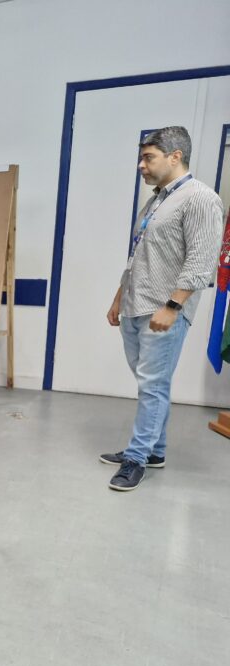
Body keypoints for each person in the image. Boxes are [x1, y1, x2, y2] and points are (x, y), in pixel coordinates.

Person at [101, 126, 224, 492]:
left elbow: (202, 262)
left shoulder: (200, 198)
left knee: (153, 386)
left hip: (164, 309)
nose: (141, 165)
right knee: (151, 385)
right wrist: (118, 296)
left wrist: (172, 306)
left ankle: (137, 459)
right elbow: (139, 252)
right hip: (136, 304)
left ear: (175, 157)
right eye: (142, 157)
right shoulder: (157, 199)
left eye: (148, 157)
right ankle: (155, 450)